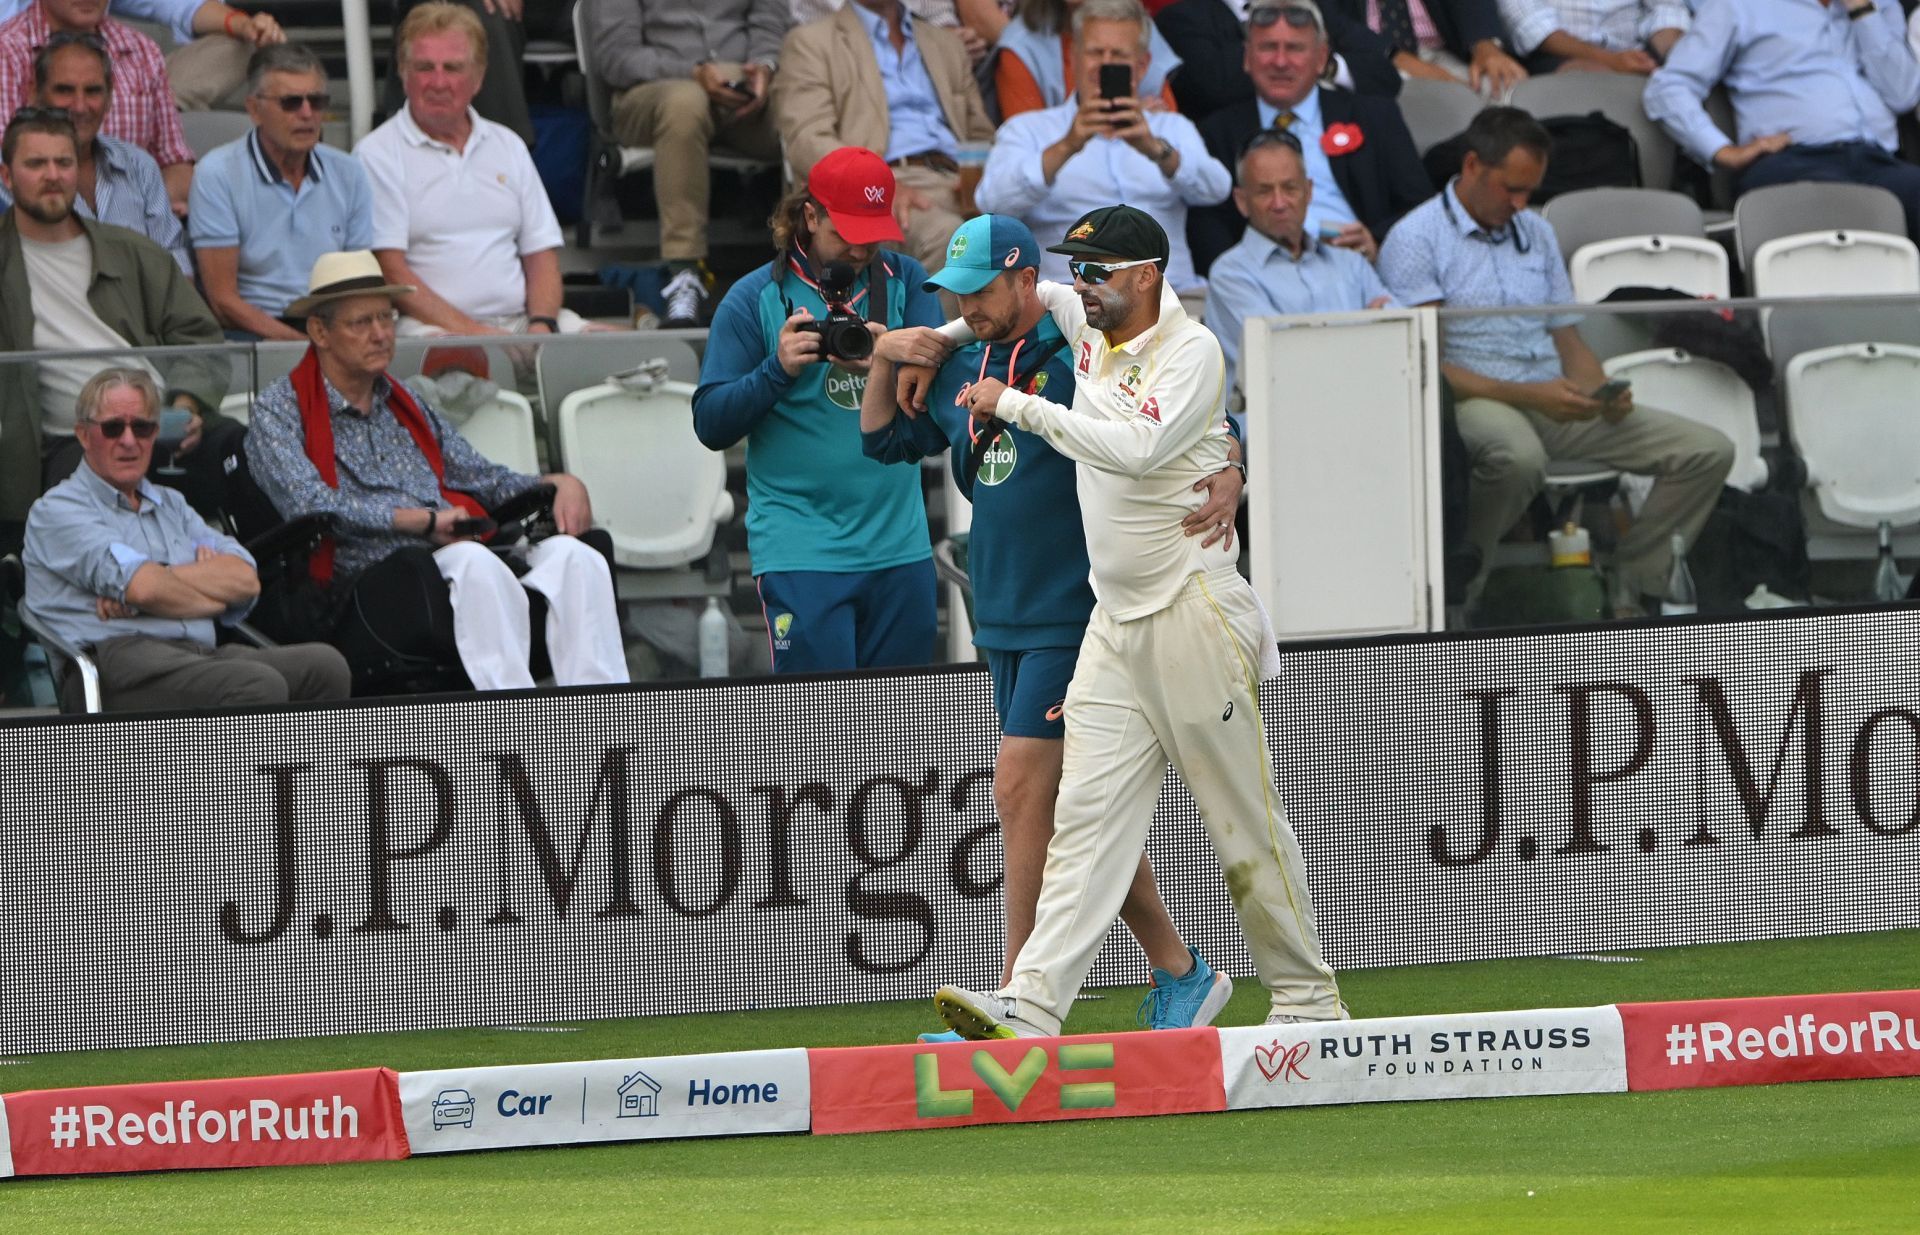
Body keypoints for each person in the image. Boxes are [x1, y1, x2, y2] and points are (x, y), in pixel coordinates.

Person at [931, 204, 1346, 1039]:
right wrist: (935, 340)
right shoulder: (1088, 312)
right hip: (1114, 624)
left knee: (1242, 825)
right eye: (1079, 272)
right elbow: (1024, 293)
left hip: (1191, 610)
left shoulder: (1192, 352)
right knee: (1084, 817)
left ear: (1146, 274)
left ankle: (1310, 1002)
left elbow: (1133, 450)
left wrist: (1014, 404)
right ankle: (1036, 1003)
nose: (1083, 287)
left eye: (1100, 272)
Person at [863, 213, 1246, 1035]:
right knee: (1071, 809)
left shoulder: (1083, 345)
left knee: (1019, 789)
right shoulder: (965, 350)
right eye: (955, 292)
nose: (966, 302)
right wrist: (895, 351)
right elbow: (882, 440)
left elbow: (1192, 413)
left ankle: (1016, 997)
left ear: (1022, 280)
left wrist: (1233, 462)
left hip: (1076, 608)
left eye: (979, 288)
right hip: (1000, 602)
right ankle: (1183, 971)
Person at [1376, 107, 1733, 613]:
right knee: (1517, 458)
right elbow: (1424, 362)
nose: (1521, 203)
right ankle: (1456, 591)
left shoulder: (1537, 232)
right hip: (1468, 400)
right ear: (1473, 165)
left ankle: (1630, 586)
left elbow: (1567, 340)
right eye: (1511, 189)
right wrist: (1530, 394)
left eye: (1530, 191)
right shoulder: (1415, 238)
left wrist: (1601, 390)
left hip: (1551, 395)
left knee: (1707, 450)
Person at [245, 251, 629, 691]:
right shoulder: (279, 410)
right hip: (372, 575)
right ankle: (514, 717)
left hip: (458, 543)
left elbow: (480, 476)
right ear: (320, 331)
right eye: (360, 323)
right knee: (471, 561)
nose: (380, 334)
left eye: (385, 319)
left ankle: (602, 715)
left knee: (576, 554)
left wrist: (558, 482)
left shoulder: (403, 400)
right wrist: (419, 522)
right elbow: (307, 505)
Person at [692, 148, 943, 673]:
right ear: (810, 215)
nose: (858, 248)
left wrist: (888, 365)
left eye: (871, 233)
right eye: (845, 231)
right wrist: (777, 369)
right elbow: (710, 423)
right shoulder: (754, 297)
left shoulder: (907, 279)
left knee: (905, 736)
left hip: (900, 547)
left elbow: (939, 403)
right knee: (818, 742)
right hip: (800, 550)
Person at [22, 367, 351, 713]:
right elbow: (145, 588)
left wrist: (149, 587)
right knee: (255, 685)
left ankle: (291, 768)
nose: (129, 441)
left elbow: (244, 578)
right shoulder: (59, 510)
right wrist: (204, 597)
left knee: (325, 667)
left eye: (143, 427)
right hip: (115, 667)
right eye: (113, 427)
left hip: (198, 655)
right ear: (84, 435)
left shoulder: (171, 504)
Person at [0, 108, 232, 533]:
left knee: (243, 451)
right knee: (88, 504)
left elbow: (201, 338)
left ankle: (278, 587)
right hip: (72, 443)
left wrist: (186, 404)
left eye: (64, 162)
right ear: (7, 176)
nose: (53, 175)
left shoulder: (134, 252)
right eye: (36, 163)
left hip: (160, 423)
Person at [356, 2, 594, 337]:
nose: (438, 82)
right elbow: (391, 272)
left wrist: (542, 324)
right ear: (402, 72)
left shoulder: (507, 144)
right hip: (429, 329)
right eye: (425, 67)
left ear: (479, 77)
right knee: (464, 363)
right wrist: (477, 335)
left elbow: (541, 255)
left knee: (620, 351)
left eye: (452, 68)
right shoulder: (376, 155)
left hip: (522, 321)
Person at [974, 0, 1229, 295]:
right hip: (1072, 300)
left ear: (1143, 65)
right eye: (1096, 53)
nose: (1105, 64)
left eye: (1118, 54)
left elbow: (1217, 189)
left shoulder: (1170, 129)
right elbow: (991, 204)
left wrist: (1157, 150)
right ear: (1074, 56)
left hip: (1170, 297)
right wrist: (1067, 146)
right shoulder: (1030, 130)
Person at [579, 0, 790, 326]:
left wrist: (765, 66)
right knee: (685, 103)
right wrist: (693, 72)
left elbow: (769, 21)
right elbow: (616, 58)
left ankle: (818, 261)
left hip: (740, 91)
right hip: (648, 93)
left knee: (804, 106)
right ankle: (683, 271)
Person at [1189, 0, 1430, 276]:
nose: (1280, 62)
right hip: (1265, 286)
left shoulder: (1374, 116)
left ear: (1321, 58)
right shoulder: (1215, 133)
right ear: (1247, 57)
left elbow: (1420, 208)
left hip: (1365, 273)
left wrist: (1377, 240)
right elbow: (1207, 230)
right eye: (1268, 47)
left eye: (1295, 48)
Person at [1645, 0, 1920, 242]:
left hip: (1877, 161)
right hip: (1793, 162)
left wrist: (1862, 10)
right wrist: (1721, 151)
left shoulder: (1881, 6)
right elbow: (1669, 87)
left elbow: (1903, 95)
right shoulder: (1738, 5)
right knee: (1846, 213)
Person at [772, 0, 997, 278]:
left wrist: (983, 178)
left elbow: (981, 134)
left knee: (1036, 224)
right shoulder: (810, 43)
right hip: (881, 185)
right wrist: (877, 184)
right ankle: (935, 324)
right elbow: (807, 140)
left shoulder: (945, 44)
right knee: (949, 238)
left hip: (959, 181)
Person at [189, 43, 373, 341]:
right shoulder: (217, 174)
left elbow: (358, 283)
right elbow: (223, 301)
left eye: (317, 101)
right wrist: (302, 345)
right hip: (251, 331)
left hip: (331, 327)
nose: (307, 113)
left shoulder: (349, 172)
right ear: (254, 109)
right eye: (291, 102)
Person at [1205, 129, 1396, 409]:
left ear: (1309, 192)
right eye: (1264, 191)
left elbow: (1403, 336)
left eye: (1290, 188)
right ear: (1242, 201)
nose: (1280, 203)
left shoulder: (1350, 263)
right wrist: (1366, 332)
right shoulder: (1230, 274)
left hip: (1363, 411)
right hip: (1275, 426)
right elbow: (1282, 362)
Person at [0, 32, 187, 272]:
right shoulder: (11, 173)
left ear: (109, 97)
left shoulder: (138, 165)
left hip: (147, 307)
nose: (80, 106)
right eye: (64, 90)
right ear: (34, 93)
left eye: (92, 91)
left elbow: (175, 262)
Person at [0, 0, 196, 214]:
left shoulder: (143, 51)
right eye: (64, 90)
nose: (81, 107)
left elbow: (176, 163)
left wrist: (138, 213)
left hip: (134, 231)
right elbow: (6, 172)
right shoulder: (5, 52)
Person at [0, 0, 288, 110]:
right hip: (18, 95)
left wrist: (243, 25)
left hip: (113, 81)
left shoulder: (140, 50)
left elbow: (181, 6)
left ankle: (136, 111)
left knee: (243, 45)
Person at [1154, 0, 1401, 124]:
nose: (1282, 61)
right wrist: (1298, 51)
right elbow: (1212, 87)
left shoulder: (1313, 6)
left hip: (1342, 139)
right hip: (1249, 157)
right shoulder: (1182, 17)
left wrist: (1326, 66)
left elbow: (1385, 77)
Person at [993, 0, 1184, 119]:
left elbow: (1167, 123)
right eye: (1095, 52)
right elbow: (1026, 143)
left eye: (1117, 53)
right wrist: (1119, 124)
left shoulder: (1133, 28)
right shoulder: (1021, 46)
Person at [1322, 0, 1526, 95]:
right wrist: (1397, 58)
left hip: (1441, 51)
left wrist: (1485, 45)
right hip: (1369, 56)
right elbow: (1333, 22)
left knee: (1505, 94)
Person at [1495, 0, 1689, 74]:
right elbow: (1531, 25)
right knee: (1592, 80)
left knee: (1692, 72)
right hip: (1558, 54)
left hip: (1639, 52)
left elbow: (1667, 7)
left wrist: (1673, 55)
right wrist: (1613, 61)